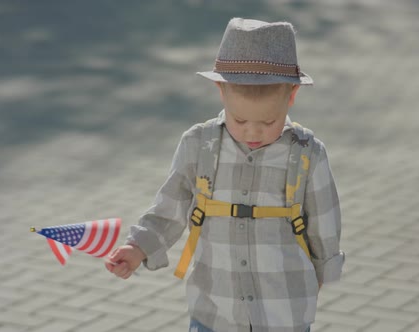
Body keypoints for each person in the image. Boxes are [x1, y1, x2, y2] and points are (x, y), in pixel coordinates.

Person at [106, 17, 343, 332]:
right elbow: (169, 207)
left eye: (269, 121)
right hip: (214, 312)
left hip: (284, 311)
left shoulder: (307, 153)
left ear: (292, 95)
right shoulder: (199, 145)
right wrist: (138, 248)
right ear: (221, 90)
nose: (253, 132)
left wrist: (321, 276)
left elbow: (324, 224)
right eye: (240, 120)